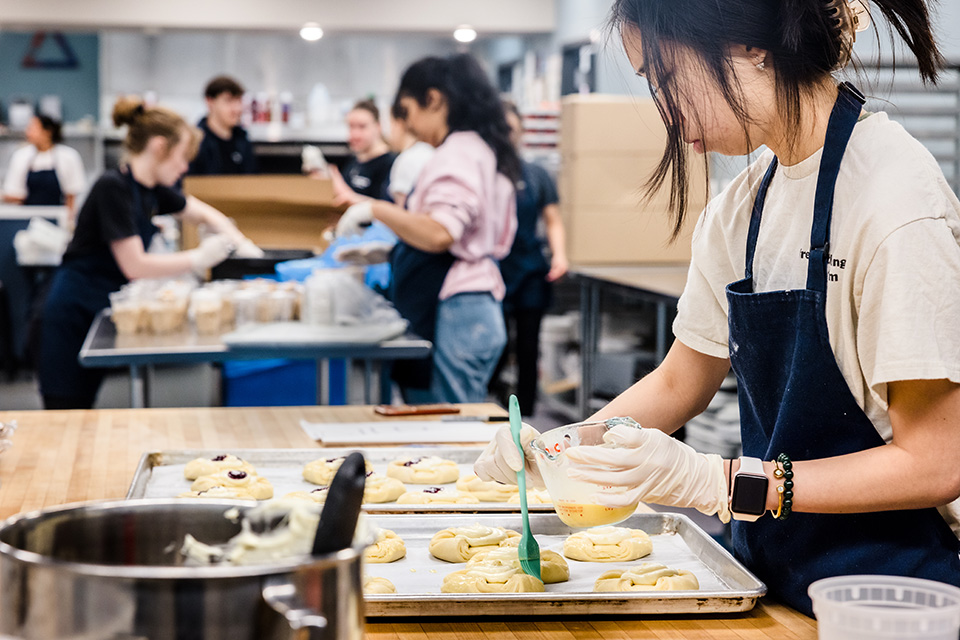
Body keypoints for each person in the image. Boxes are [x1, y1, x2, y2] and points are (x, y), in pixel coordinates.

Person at [475, 0, 960, 616]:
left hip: (895, 592)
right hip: (774, 575)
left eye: (665, 79)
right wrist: (567, 447)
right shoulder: (745, 205)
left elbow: (936, 461)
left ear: (747, 46)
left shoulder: (894, 205)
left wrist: (723, 482)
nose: (667, 116)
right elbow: (681, 379)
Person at [38, 97, 262, 410]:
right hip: (73, 310)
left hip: (100, 306)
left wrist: (242, 244)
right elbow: (135, 265)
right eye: (183, 157)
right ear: (159, 147)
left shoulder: (150, 187)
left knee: (85, 407)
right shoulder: (112, 187)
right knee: (67, 410)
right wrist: (198, 258)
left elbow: (202, 213)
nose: (185, 167)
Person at [335, 54, 519, 404]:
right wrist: (392, 250)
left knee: (446, 423)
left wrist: (375, 208)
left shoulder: (459, 152)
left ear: (433, 100)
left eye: (408, 111)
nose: (409, 126)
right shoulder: (479, 147)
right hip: (473, 309)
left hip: (457, 313)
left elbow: (440, 233)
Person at [491, 101, 568, 417]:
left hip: (530, 271)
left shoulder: (536, 175)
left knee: (527, 346)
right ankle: (489, 406)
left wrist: (560, 255)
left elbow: (553, 219)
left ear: (520, 131)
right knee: (495, 346)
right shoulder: (484, 174)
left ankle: (526, 417)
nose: (505, 136)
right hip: (493, 271)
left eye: (510, 129)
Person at [2, 115, 86, 217]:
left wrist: (70, 220)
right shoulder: (21, 156)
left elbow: (71, 196)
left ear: (47, 132)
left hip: (58, 217)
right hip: (27, 217)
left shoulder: (68, 156)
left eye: (32, 128)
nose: (27, 132)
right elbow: (16, 193)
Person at [188, 75, 257, 175]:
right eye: (228, 101)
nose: (237, 109)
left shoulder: (242, 139)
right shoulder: (197, 142)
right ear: (210, 102)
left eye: (239, 100)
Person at [331, 100, 397, 200]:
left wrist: (343, 190)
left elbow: (386, 209)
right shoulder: (354, 162)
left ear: (378, 127)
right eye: (351, 127)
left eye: (362, 127)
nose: (355, 134)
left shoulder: (391, 164)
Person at [386, 100, 435, 208]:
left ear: (398, 124)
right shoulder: (429, 151)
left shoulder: (406, 160)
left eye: (390, 125)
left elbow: (402, 215)